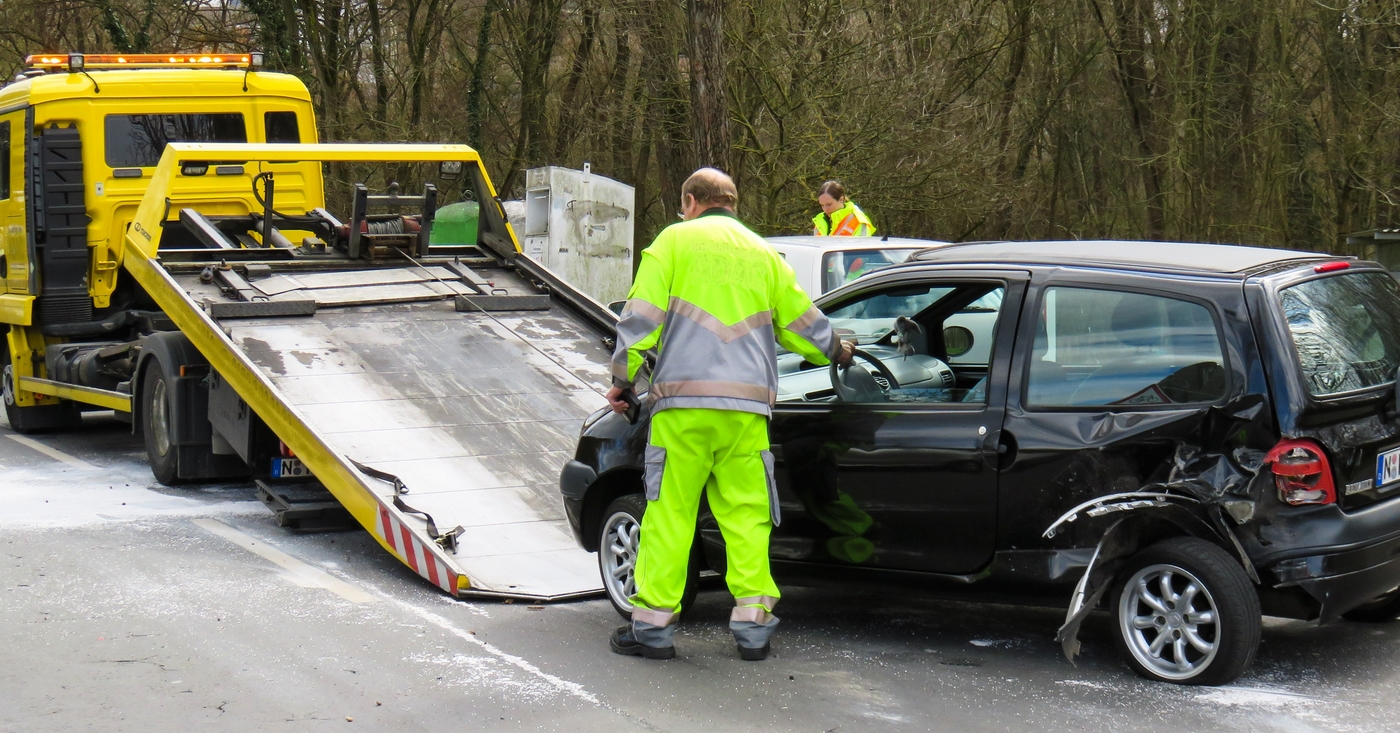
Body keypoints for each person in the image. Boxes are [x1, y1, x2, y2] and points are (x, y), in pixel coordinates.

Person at [606, 168, 854, 661]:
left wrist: (622, 379)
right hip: (746, 412)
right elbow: (802, 323)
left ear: (692, 202)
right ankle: (753, 629)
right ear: (733, 204)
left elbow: (641, 320)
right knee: (747, 517)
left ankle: (653, 628)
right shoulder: (765, 255)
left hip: (684, 408)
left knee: (671, 513)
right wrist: (838, 350)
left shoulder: (672, 243)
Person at [812, 180, 876, 236]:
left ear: (841, 199)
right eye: (822, 205)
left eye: (829, 204)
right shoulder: (819, 220)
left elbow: (861, 249)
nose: (825, 209)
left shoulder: (859, 220)